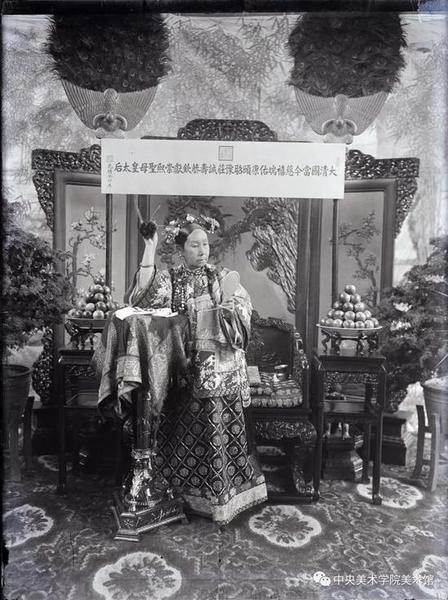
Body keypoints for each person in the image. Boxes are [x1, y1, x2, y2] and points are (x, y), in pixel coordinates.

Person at [124, 214, 267, 525]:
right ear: (181, 249)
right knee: (181, 429)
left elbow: (244, 308)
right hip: (183, 365)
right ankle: (181, 494)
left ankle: (223, 496)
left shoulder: (221, 276)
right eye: (195, 245)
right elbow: (139, 298)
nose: (202, 251)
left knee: (218, 427)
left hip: (220, 365)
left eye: (205, 244)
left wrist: (229, 309)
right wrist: (150, 248)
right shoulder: (170, 279)